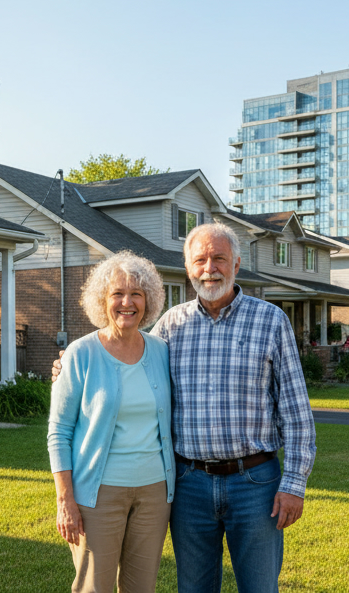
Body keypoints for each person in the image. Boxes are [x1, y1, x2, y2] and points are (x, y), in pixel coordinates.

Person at [53, 223, 315, 593]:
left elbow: (296, 412)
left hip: (254, 483)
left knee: (259, 587)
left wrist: (294, 484)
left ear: (236, 263)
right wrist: (67, 364)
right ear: (189, 268)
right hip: (189, 485)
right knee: (193, 588)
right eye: (201, 260)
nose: (210, 268)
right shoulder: (171, 327)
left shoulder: (271, 321)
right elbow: (125, 351)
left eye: (219, 258)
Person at [47, 251, 175, 593]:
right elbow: (58, 432)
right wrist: (65, 501)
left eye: (136, 294)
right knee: (94, 586)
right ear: (102, 300)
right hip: (97, 494)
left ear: (148, 300)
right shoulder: (80, 353)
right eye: (117, 293)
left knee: (141, 586)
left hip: (154, 493)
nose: (127, 302)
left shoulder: (161, 350)